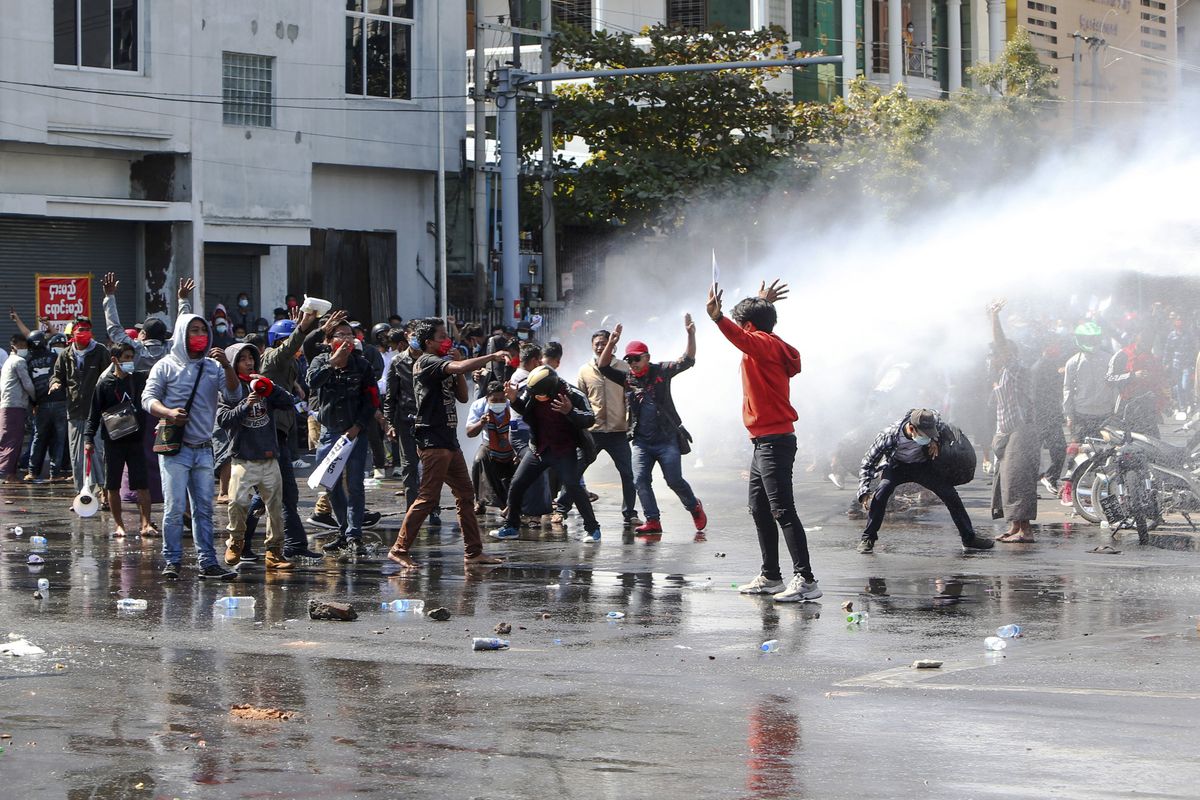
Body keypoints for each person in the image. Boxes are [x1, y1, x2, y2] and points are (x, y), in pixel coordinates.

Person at [706, 280, 820, 602]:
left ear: (750, 326)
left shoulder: (761, 343)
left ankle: (806, 580)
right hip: (764, 441)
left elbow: (744, 335)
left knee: (782, 510)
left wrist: (717, 319)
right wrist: (760, 303)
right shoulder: (768, 341)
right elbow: (753, 330)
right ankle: (771, 576)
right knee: (759, 508)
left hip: (773, 440)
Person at [385, 319, 507, 569]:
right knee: (428, 497)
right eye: (442, 337)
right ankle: (399, 548)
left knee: (465, 494)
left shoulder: (444, 366)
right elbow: (460, 367)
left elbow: (462, 396)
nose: (447, 341)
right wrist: (491, 356)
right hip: (433, 440)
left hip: (449, 440)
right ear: (429, 342)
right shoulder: (426, 362)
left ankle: (473, 552)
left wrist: (459, 366)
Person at [143, 312, 240, 580]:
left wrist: (227, 366)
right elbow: (147, 398)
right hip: (176, 450)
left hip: (204, 448)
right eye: (193, 330)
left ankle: (208, 563)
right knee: (174, 509)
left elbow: (234, 395)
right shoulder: (165, 365)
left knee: (204, 510)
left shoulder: (213, 367)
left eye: (203, 330)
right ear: (182, 334)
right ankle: (172, 561)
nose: (199, 336)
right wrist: (167, 412)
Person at [597, 318, 707, 536]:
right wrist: (611, 343)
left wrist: (691, 334)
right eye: (629, 360)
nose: (633, 363)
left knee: (673, 480)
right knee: (640, 479)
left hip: (667, 440)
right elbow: (603, 366)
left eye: (637, 359)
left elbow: (688, 360)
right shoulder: (627, 378)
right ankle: (652, 520)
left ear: (647, 357)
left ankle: (694, 506)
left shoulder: (661, 371)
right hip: (641, 441)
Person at [857, 408, 994, 553]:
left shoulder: (934, 422)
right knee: (882, 491)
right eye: (925, 435)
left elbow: (938, 418)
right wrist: (864, 492)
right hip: (896, 466)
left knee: (949, 494)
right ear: (911, 428)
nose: (927, 437)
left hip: (922, 466)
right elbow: (868, 463)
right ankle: (868, 538)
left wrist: (936, 440)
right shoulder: (888, 436)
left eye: (931, 434)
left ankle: (969, 538)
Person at [489, 366, 602, 542]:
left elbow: (590, 418)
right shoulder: (533, 391)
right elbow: (525, 409)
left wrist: (570, 411)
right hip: (539, 449)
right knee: (517, 483)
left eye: (541, 395)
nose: (537, 398)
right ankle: (511, 526)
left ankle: (593, 530)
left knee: (573, 486)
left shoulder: (573, 394)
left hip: (564, 450)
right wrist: (513, 399)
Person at [217, 343, 297, 570]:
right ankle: (236, 541)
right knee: (237, 503)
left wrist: (270, 388)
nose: (249, 362)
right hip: (243, 458)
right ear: (234, 363)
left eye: (251, 358)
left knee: (275, 509)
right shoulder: (229, 390)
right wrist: (245, 405)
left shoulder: (263, 385)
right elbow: (223, 420)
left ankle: (274, 552)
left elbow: (289, 402)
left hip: (269, 457)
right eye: (242, 359)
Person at [307, 317, 378, 558]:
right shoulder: (320, 361)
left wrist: (358, 426)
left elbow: (372, 400)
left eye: (350, 334)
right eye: (340, 334)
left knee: (355, 485)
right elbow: (311, 382)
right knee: (330, 484)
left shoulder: (362, 365)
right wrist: (332, 363)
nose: (346, 338)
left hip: (355, 434)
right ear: (329, 341)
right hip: (329, 434)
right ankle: (343, 529)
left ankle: (354, 535)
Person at [259, 310, 324, 560]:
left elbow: (298, 349)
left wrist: (318, 327)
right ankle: (242, 544)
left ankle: (295, 544)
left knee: (286, 493)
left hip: (282, 432)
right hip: (270, 433)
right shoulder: (273, 358)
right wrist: (303, 327)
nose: (295, 348)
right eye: (288, 340)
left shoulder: (289, 364)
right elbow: (291, 347)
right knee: (269, 493)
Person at [570, 329, 641, 527]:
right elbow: (580, 399)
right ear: (592, 346)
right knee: (575, 470)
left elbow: (632, 398)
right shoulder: (584, 370)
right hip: (593, 431)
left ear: (613, 345)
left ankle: (630, 514)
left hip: (618, 431)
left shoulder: (624, 368)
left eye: (604, 343)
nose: (600, 347)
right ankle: (562, 508)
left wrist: (631, 424)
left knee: (628, 473)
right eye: (597, 344)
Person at [84, 343, 154, 536]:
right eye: (126, 357)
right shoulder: (104, 384)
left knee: (142, 484)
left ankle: (146, 523)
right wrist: (88, 439)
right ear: (115, 359)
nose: (130, 361)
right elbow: (93, 415)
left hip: (136, 440)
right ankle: (119, 525)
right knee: (112, 485)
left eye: (132, 357)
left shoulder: (139, 380)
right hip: (113, 441)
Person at [988, 301, 1040, 544]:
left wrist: (993, 318)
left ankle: (1026, 531)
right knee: (1006, 481)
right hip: (1008, 433)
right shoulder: (1001, 375)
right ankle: (1014, 526)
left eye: (996, 354)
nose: (993, 357)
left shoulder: (1016, 369)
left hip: (1022, 432)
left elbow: (1001, 342)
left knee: (1018, 479)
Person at [52, 316, 109, 497]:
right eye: (80, 330)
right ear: (73, 333)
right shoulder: (65, 354)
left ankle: (104, 492)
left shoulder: (100, 351)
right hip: (75, 411)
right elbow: (56, 375)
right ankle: (81, 494)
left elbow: (109, 376)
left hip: (97, 412)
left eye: (86, 330)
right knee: (77, 457)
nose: (83, 333)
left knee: (97, 453)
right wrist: (55, 383)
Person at [384, 320, 428, 517]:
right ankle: (413, 511)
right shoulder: (397, 362)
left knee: (430, 466)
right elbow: (390, 397)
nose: (415, 339)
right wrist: (390, 423)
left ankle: (431, 507)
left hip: (429, 420)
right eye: (412, 335)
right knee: (409, 467)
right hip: (406, 420)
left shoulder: (432, 360)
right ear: (406, 336)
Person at [466, 381, 518, 512]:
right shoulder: (478, 406)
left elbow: (520, 429)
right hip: (489, 445)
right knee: (480, 459)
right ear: (487, 398)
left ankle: (519, 503)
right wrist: (481, 422)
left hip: (511, 446)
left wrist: (517, 451)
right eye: (494, 400)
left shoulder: (512, 405)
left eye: (502, 399)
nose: (499, 402)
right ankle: (480, 500)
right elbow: (469, 433)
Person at [24, 332, 69, 483]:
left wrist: (33, 403)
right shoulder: (54, 357)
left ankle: (32, 472)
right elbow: (63, 376)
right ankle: (54, 474)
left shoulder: (28, 361)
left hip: (41, 403)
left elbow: (29, 385)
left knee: (38, 438)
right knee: (59, 439)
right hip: (59, 401)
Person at [1107, 326, 1167, 437]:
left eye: (1149, 340)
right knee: (1128, 443)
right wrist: (1132, 376)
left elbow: (1158, 382)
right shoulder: (1122, 354)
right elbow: (1109, 379)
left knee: (1153, 443)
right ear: (1136, 337)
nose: (1146, 343)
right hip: (1127, 406)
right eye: (1144, 339)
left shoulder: (1152, 358)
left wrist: (1162, 405)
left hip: (1147, 408)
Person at [1063, 321, 1116, 444]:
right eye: (1089, 338)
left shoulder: (1109, 359)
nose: (1092, 341)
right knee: (1080, 451)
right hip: (1084, 415)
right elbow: (1068, 390)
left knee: (1104, 452)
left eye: (1094, 338)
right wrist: (1069, 416)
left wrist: (1115, 411)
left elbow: (1115, 386)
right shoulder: (1073, 362)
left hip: (1102, 414)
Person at [1030, 340, 1067, 495]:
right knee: (1035, 452)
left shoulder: (1050, 365)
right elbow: (1038, 394)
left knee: (1058, 449)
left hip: (1050, 415)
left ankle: (1049, 477)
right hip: (1042, 416)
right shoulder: (1040, 367)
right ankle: (1032, 485)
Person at [0, 334, 34, 481]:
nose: (24, 349)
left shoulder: (8, 361)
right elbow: (27, 384)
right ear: (14, 346)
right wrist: (36, 399)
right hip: (14, 406)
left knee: (8, 438)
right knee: (13, 440)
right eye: (22, 346)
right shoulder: (19, 362)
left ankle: (9, 472)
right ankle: (6, 473)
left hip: (7, 405)